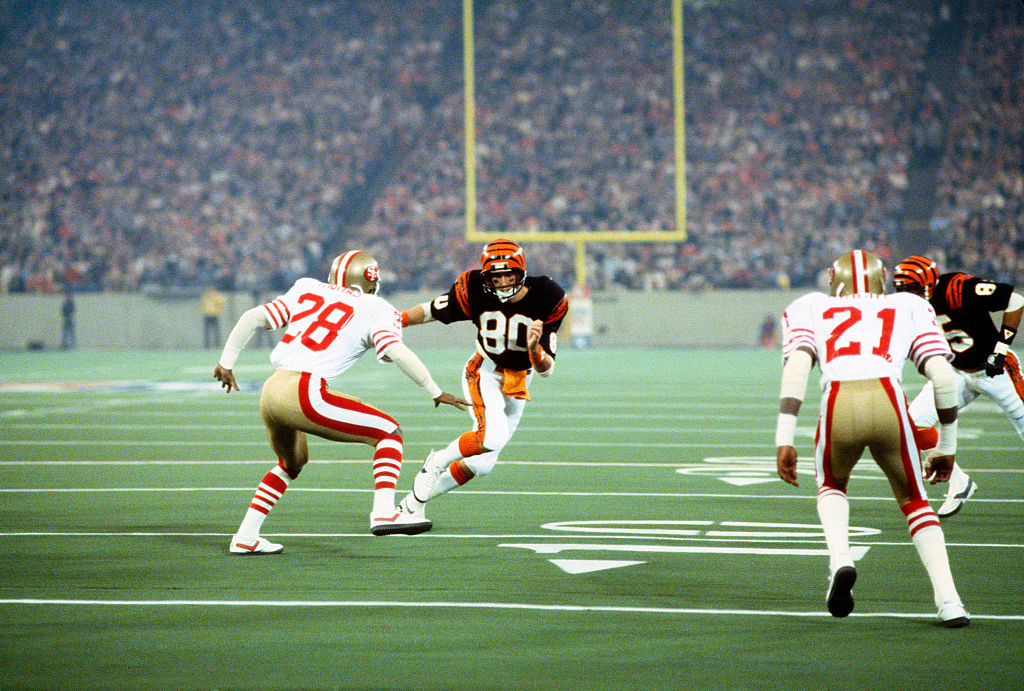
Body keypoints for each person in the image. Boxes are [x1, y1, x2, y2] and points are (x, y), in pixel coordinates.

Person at [214, 250, 467, 554]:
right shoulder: (376, 307)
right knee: (389, 432)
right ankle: (384, 511)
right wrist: (434, 390)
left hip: (271, 391)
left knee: (291, 464)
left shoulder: (307, 287)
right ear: (370, 281)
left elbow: (252, 317)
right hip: (305, 390)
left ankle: (246, 536)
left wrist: (226, 363)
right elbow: (397, 352)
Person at [775, 249, 969, 627]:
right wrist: (946, 446)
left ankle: (840, 561)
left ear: (836, 281)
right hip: (888, 400)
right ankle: (949, 601)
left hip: (838, 401)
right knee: (915, 501)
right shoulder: (907, 305)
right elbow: (944, 379)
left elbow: (798, 366)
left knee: (831, 484)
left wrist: (784, 436)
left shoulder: (811, 306)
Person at [397, 239, 568, 527]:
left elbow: (546, 370)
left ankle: (410, 505)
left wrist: (534, 348)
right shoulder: (473, 289)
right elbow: (429, 311)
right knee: (491, 437)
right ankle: (434, 463)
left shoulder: (547, 295)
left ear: (521, 273)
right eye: (496, 276)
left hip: (519, 381)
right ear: (486, 277)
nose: (502, 282)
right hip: (484, 371)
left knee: (481, 464)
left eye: (508, 275)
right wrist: (392, 323)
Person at [894, 255, 1024, 517]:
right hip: (955, 372)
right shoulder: (908, 307)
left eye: (911, 289)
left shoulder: (957, 288)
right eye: (901, 289)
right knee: (913, 422)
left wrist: (1000, 350)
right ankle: (959, 482)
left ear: (927, 283)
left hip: (994, 371)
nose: (906, 295)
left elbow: (1016, 301)